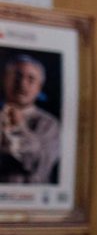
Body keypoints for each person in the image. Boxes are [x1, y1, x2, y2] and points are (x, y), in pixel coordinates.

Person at [0, 53, 61, 184]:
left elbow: (40, 165)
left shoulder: (49, 124)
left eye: (31, 79)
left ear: (39, 88)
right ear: (5, 80)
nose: (22, 83)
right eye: (17, 76)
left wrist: (19, 127)